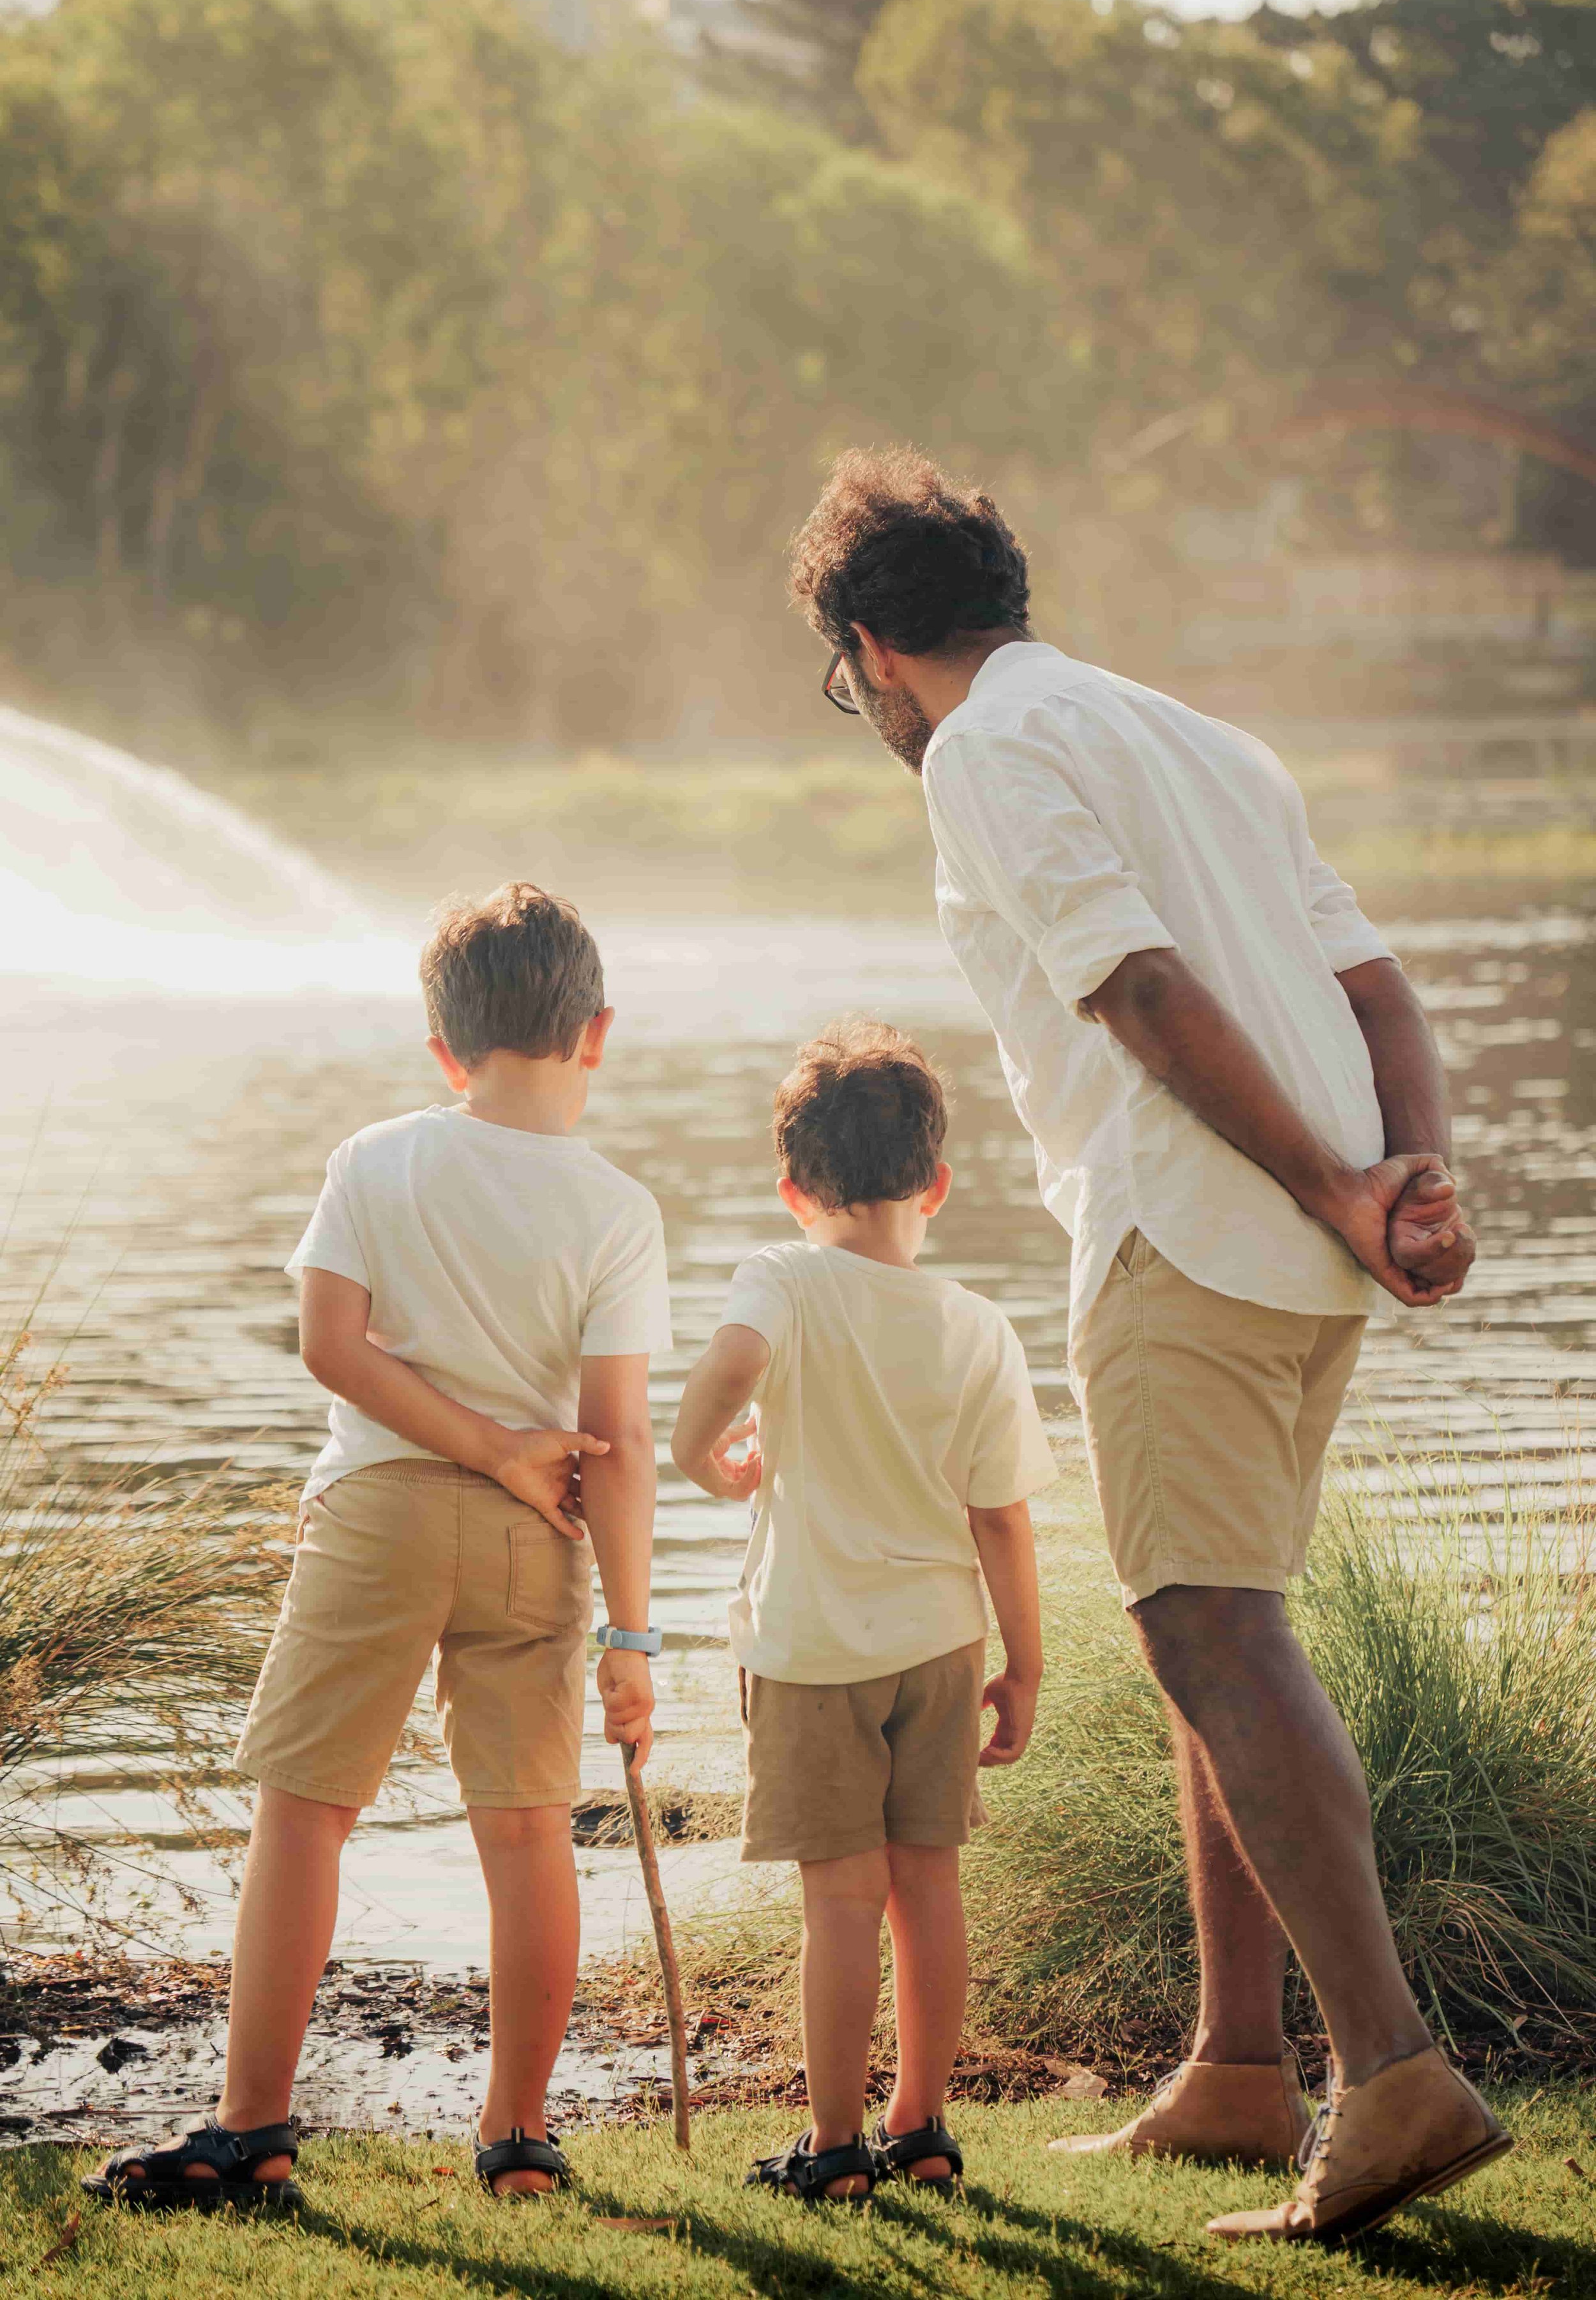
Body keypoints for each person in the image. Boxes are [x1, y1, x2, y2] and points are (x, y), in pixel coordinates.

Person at [785, 451, 1511, 2245]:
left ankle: (1392, 2073)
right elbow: (1376, 991)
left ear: (872, 647)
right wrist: (1405, 1177)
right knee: (1212, 1625)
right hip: (1298, 1254)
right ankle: (1236, 2071)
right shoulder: (1198, 736)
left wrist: (1343, 1182)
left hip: (1189, 1228)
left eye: (851, 682)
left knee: (1207, 1628)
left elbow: (1140, 991)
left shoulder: (980, 750)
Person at [85, 882, 670, 2212]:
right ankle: (519, 2138)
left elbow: (330, 1347)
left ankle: (251, 2131)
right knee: (526, 1830)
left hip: (379, 1511)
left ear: (444, 1049)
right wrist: (632, 1635)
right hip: (537, 1535)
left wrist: (481, 1443)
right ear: (597, 1031)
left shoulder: (375, 1157)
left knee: (306, 1811)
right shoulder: (617, 1206)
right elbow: (620, 1441)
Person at [672, 1019, 1054, 2204]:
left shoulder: (781, 1277)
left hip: (811, 1647)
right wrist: (1025, 1663)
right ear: (936, 1181)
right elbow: (1001, 1518)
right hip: (941, 1648)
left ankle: (834, 2145)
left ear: (795, 1191)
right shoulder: (978, 1326)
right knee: (928, 1887)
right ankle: (922, 2125)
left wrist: (698, 1454)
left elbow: (733, 1364)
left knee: (839, 1901)